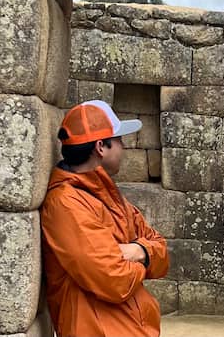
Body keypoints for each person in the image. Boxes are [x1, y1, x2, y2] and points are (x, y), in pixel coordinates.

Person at [40, 100, 170, 337]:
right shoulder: (65, 204)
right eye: (119, 140)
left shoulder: (110, 197)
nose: (124, 147)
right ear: (101, 147)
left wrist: (137, 250)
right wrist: (145, 259)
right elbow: (115, 280)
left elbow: (162, 250)